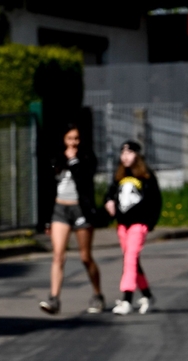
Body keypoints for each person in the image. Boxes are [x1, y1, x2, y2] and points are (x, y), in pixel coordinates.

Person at [38, 124, 105, 316]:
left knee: (85, 257)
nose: (73, 142)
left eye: (76, 138)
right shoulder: (56, 158)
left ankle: (97, 294)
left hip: (80, 208)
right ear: (63, 140)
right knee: (58, 255)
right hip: (60, 208)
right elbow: (48, 184)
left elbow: (87, 177)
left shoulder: (86, 157)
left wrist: (74, 162)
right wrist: (46, 220)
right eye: (70, 139)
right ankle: (54, 298)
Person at [103, 140, 162, 315]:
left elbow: (156, 200)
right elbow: (110, 193)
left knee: (130, 258)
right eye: (123, 153)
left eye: (129, 153)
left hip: (139, 223)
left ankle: (126, 300)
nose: (125, 157)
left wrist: (150, 222)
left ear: (137, 155)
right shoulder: (120, 175)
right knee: (132, 262)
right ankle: (148, 295)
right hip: (123, 225)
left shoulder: (146, 176)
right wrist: (108, 202)